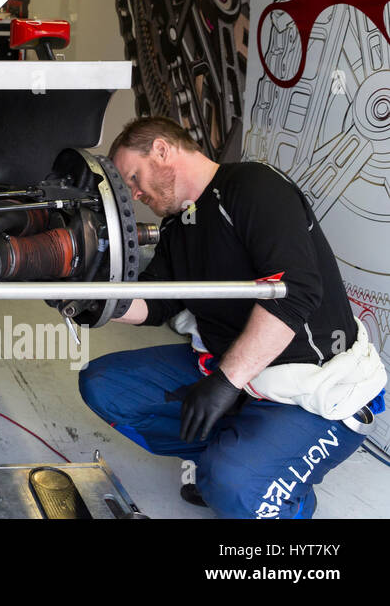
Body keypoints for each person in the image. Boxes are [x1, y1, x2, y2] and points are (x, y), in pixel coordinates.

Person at [66, 116, 385, 518]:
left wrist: (224, 381)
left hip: (314, 389)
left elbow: (296, 292)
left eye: (133, 177)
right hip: (236, 378)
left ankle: (283, 494)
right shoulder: (179, 226)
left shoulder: (253, 187)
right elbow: (156, 302)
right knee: (104, 386)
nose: (133, 194)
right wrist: (86, 294)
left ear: (162, 150)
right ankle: (234, 456)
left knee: (233, 489)